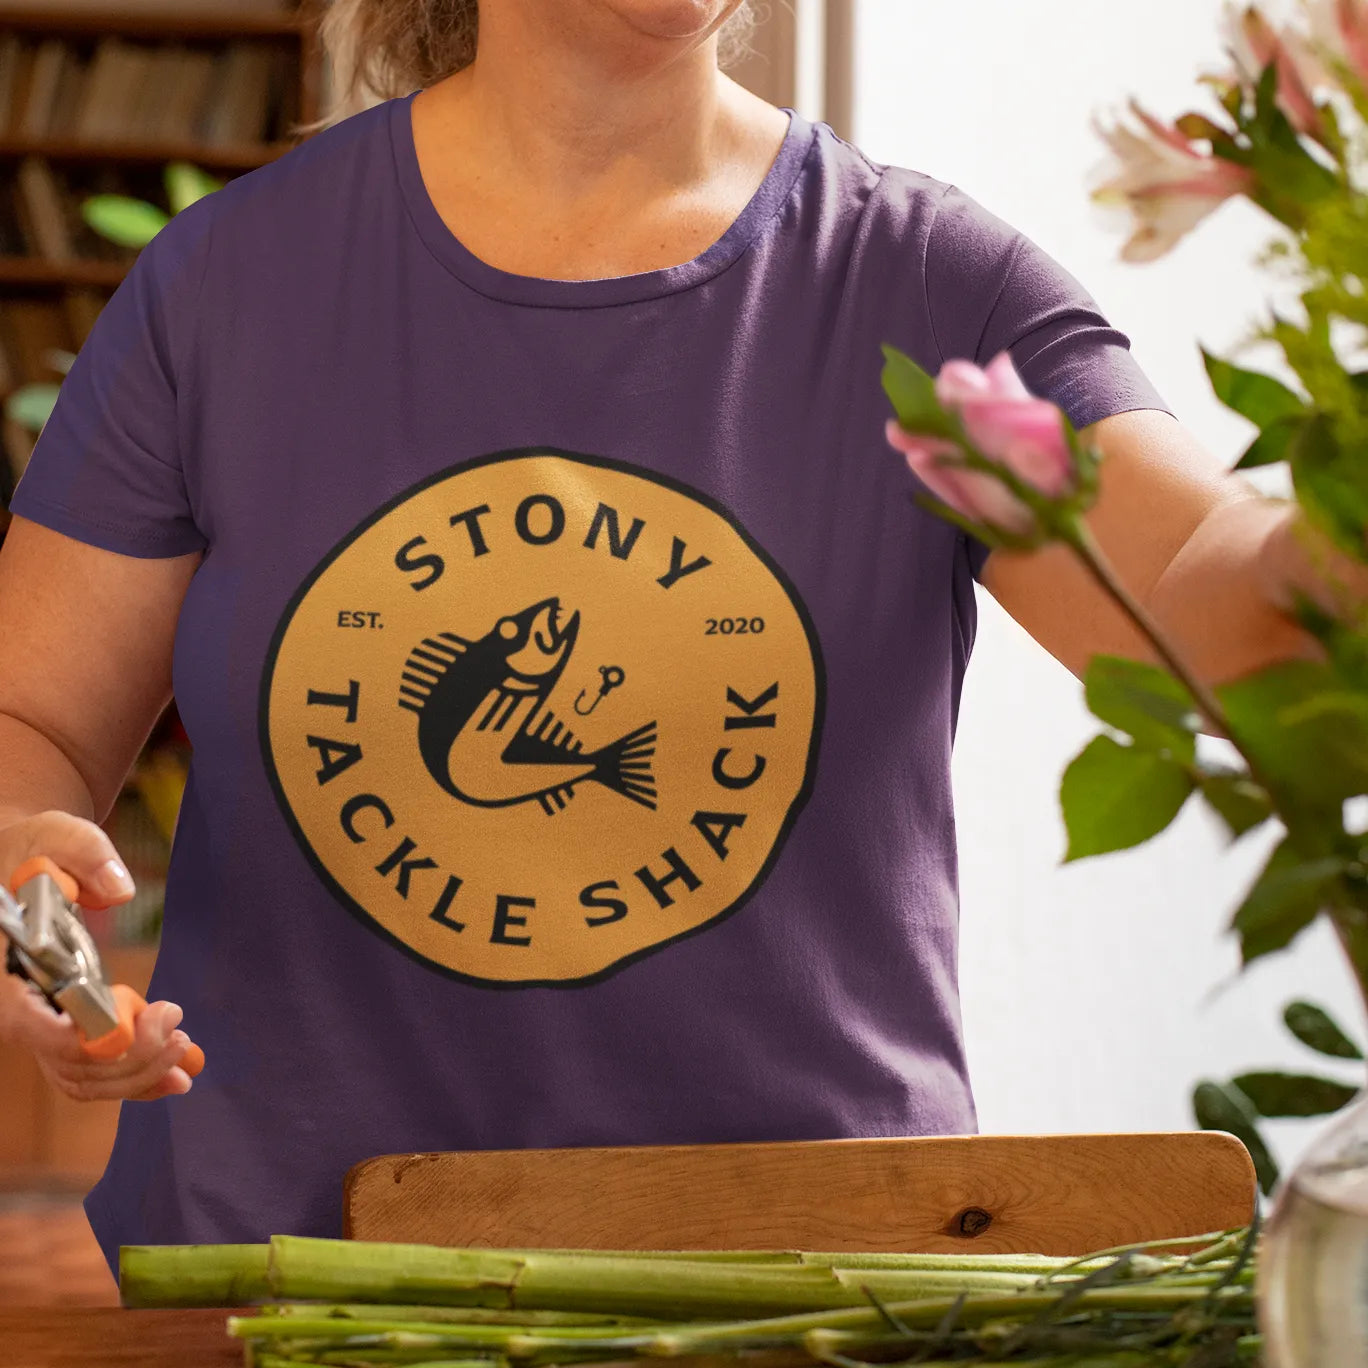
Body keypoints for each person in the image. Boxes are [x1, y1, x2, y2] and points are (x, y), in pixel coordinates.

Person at [0, 0, 1338, 1276]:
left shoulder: (931, 290)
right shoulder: (228, 287)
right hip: (284, 1282)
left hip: (822, 1288)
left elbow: (1216, 599)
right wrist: (22, 889)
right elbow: (33, 725)